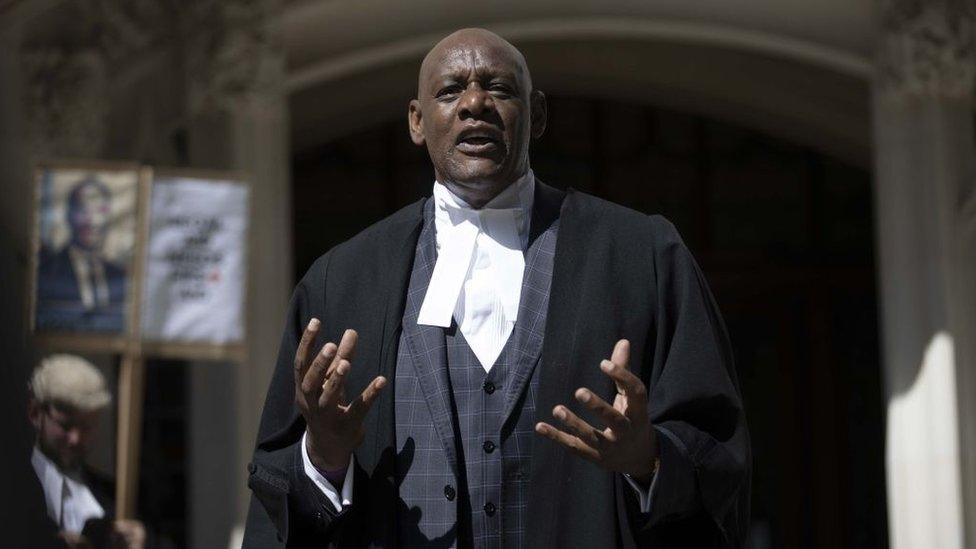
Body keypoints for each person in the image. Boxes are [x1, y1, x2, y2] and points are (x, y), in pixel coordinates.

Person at [244, 28, 750, 548]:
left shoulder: (641, 255)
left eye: (499, 89)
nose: (475, 104)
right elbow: (280, 489)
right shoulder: (343, 279)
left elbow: (715, 448)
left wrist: (649, 460)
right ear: (417, 122)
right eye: (450, 91)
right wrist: (324, 455)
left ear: (539, 115)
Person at [28, 354, 146, 549]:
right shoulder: (11, 490)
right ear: (35, 413)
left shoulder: (116, 499)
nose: (75, 439)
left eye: (86, 427)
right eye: (66, 426)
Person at [36, 176, 127, 332]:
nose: (91, 221)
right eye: (82, 210)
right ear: (68, 215)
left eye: (100, 211)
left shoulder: (121, 277)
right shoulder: (46, 273)